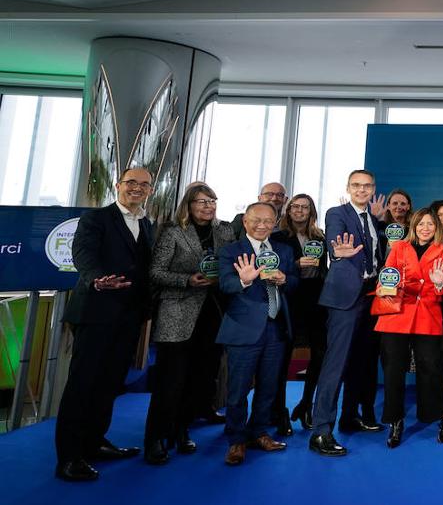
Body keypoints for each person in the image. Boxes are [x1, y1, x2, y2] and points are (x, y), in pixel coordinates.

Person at [54, 168, 155, 483]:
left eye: (143, 184)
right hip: (95, 312)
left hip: (129, 318)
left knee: (110, 384)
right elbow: (83, 255)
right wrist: (97, 279)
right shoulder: (95, 218)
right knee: (82, 385)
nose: (136, 188)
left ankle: (95, 442)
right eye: (130, 183)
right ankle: (69, 458)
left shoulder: (148, 225)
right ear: (118, 186)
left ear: (150, 190)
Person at [143, 183, 234, 464]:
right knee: (171, 380)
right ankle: (156, 437)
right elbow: (155, 272)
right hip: (177, 313)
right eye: (202, 201)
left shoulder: (225, 231)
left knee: (199, 379)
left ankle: (182, 431)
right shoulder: (173, 231)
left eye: (212, 200)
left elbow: (229, 265)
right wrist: (187, 280)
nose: (208, 206)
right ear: (189, 205)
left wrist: (223, 277)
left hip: (213, 314)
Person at [309, 169, 387, 457]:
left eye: (367, 186)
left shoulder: (374, 219)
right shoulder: (337, 213)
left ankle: (349, 416)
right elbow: (335, 240)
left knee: (361, 362)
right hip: (345, 298)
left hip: (371, 296)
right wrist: (336, 250)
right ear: (348, 187)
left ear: (373, 187)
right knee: (335, 365)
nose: (362, 190)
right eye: (356, 185)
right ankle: (321, 432)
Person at [217, 202, 298, 465]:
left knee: (268, 386)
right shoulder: (231, 251)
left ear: (275, 223)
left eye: (268, 221)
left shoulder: (283, 250)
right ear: (245, 221)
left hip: (276, 329)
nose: (262, 225)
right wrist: (245, 279)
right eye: (256, 220)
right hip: (243, 330)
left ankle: (259, 432)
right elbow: (225, 285)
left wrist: (286, 280)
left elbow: (296, 281)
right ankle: (236, 439)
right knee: (238, 389)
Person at [375, 207, 443, 447]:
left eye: (430, 224)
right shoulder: (399, 247)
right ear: (414, 226)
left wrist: (441, 284)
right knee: (393, 369)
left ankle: (441, 415)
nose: (425, 228)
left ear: (437, 228)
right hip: (396, 314)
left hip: (427, 315)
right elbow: (386, 276)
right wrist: (383, 287)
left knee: (431, 366)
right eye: (421, 224)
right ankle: (395, 420)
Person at [280, 194, 329, 433]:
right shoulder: (278, 237)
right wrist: (296, 265)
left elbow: (326, 268)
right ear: (288, 211)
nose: (300, 211)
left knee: (319, 354)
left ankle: (307, 404)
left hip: (317, 301)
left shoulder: (320, 236)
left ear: (311, 212)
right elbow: (271, 267)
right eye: (295, 207)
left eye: (305, 207)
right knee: (283, 356)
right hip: (289, 301)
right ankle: (279, 411)